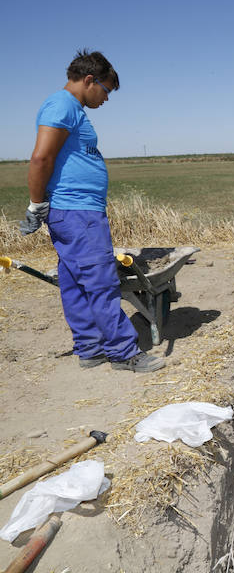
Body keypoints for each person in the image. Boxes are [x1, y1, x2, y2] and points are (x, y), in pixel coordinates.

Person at [20, 50, 164, 373]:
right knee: (100, 281)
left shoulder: (70, 108)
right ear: (89, 80)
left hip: (73, 212)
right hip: (78, 212)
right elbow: (41, 158)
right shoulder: (62, 106)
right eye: (106, 90)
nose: (106, 99)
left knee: (74, 280)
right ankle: (124, 353)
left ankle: (90, 348)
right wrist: (35, 203)